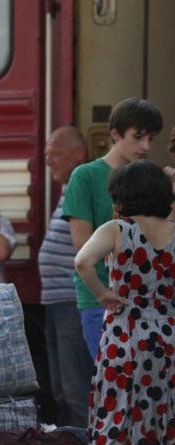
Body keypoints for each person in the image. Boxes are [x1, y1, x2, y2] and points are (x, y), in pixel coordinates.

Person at [74, 160, 175, 445]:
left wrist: (103, 294)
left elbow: (82, 260)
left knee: (110, 413)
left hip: (124, 335)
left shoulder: (117, 229)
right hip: (168, 336)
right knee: (168, 418)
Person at [63, 98, 162, 357]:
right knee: (115, 384)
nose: (145, 146)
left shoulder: (152, 177)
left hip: (149, 301)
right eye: (138, 137)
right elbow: (81, 244)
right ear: (116, 134)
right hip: (103, 299)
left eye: (150, 138)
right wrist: (102, 292)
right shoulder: (85, 176)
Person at [37, 126, 93, 428]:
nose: (49, 162)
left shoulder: (81, 186)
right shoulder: (69, 188)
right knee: (60, 390)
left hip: (72, 302)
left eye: (55, 154)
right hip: (57, 302)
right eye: (46, 155)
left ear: (78, 154)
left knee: (75, 390)